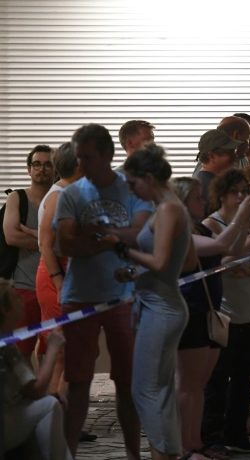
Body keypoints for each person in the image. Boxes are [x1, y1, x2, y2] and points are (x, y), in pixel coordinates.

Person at [55, 123, 153, 459]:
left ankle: (133, 453)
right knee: (78, 380)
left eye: (88, 157)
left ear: (108, 155)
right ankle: (67, 453)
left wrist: (94, 234)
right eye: (78, 157)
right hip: (79, 296)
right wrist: (110, 240)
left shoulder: (132, 189)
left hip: (123, 295)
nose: (81, 164)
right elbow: (65, 244)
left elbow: (141, 234)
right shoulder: (71, 194)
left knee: (127, 381)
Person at [103, 144, 195, 460]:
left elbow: (160, 261)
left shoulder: (168, 209)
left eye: (133, 183)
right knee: (159, 389)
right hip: (159, 303)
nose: (131, 190)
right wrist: (134, 271)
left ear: (148, 178)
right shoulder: (170, 207)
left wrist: (121, 248)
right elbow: (180, 261)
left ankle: (165, 452)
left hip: (161, 308)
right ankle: (166, 451)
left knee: (146, 390)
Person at [171, 176, 250, 460]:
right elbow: (221, 245)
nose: (203, 201)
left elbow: (229, 250)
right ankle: (185, 446)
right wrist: (242, 215)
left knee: (199, 384)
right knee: (188, 384)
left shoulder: (199, 228)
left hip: (208, 311)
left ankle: (196, 443)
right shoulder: (181, 232)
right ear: (183, 202)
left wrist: (244, 225)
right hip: (191, 310)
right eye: (196, 197)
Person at [201, 169, 250, 454]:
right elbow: (216, 263)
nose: (240, 197)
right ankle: (212, 437)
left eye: (244, 191)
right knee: (218, 379)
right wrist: (242, 254)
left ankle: (236, 432)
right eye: (235, 192)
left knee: (245, 376)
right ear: (222, 194)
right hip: (224, 312)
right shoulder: (211, 225)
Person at [0, 279, 72, 460]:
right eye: (16, 298)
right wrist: (53, 348)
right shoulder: (7, 348)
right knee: (49, 405)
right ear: (4, 310)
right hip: (5, 425)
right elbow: (36, 389)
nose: (21, 301)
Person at [35, 142, 82, 399]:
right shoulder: (59, 196)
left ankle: (62, 406)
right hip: (57, 274)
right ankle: (55, 409)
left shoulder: (71, 193)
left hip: (70, 272)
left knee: (72, 349)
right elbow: (45, 244)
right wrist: (59, 282)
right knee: (62, 349)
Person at [2, 145, 54, 361]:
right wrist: (49, 243)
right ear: (29, 169)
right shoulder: (17, 198)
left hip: (55, 289)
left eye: (48, 164)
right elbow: (12, 237)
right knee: (20, 353)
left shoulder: (61, 198)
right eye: (36, 164)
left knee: (51, 353)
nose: (42, 169)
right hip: (24, 289)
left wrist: (37, 239)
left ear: (56, 169)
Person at [194, 129, 242, 215]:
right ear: (211, 156)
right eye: (229, 153)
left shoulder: (213, 181)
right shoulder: (207, 186)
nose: (235, 156)